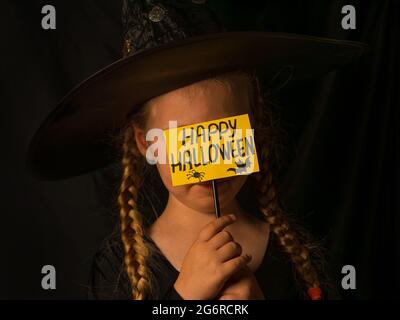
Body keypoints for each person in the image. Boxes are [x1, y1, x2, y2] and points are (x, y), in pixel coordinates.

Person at [27, 0, 366, 300]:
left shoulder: (294, 256)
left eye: (224, 137)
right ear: (149, 144)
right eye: (185, 141)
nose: (208, 162)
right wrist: (185, 297)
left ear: (253, 134)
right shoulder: (118, 266)